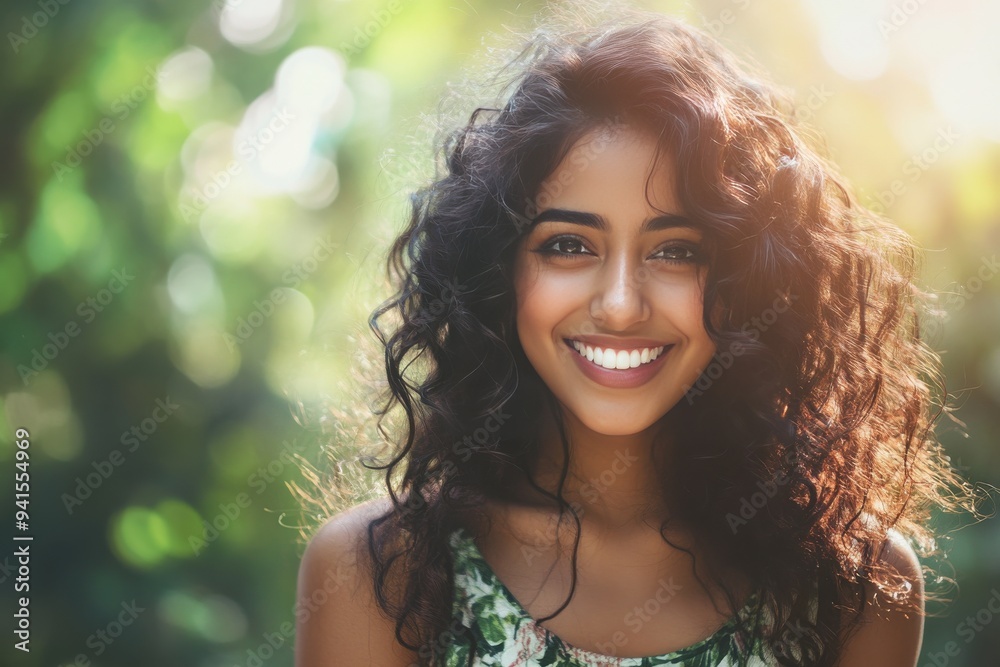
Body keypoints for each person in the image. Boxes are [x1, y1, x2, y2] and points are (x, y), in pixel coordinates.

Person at [294, 8, 980, 667]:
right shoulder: (380, 571)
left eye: (677, 251)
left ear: (750, 283)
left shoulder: (853, 586)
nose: (621, 306)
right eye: (569, 245)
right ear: (497, 272)